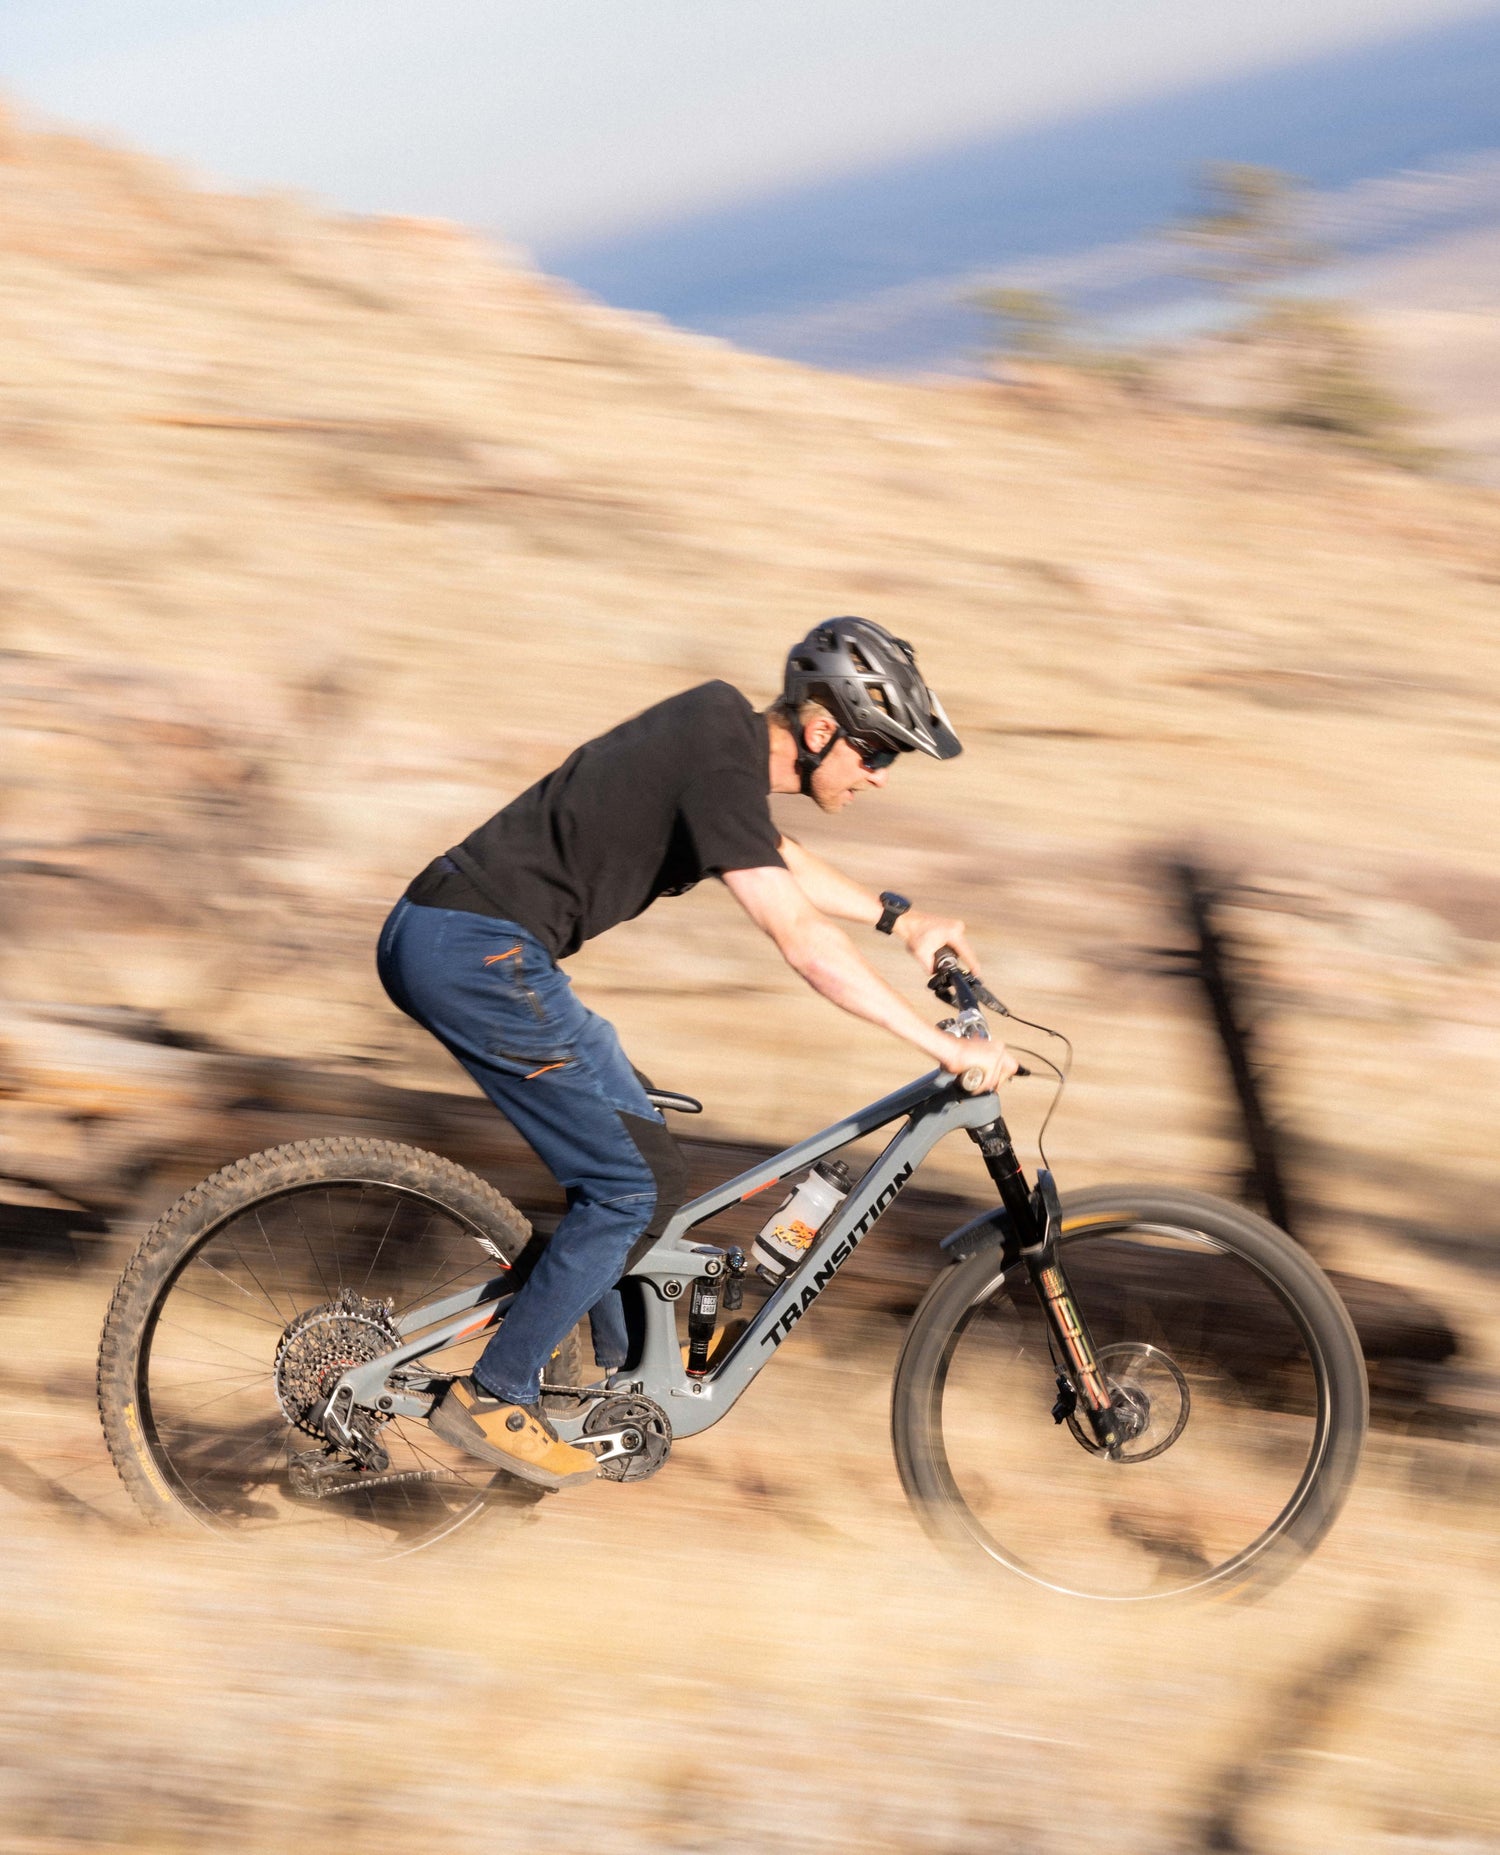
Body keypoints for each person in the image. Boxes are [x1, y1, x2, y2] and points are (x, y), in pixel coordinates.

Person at [376, 616, 1016, 1490]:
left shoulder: (722, 746)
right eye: (877, 752)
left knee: (640, 1153)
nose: (878, 775)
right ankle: (498, 1392)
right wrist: (933, 1041)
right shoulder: (719, 748)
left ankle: (614, 1393)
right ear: (822, 727)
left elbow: (778, 857)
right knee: (628, 1186)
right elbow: (796, 933)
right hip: (474, 951)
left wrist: (904, 920)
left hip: (475, 943)